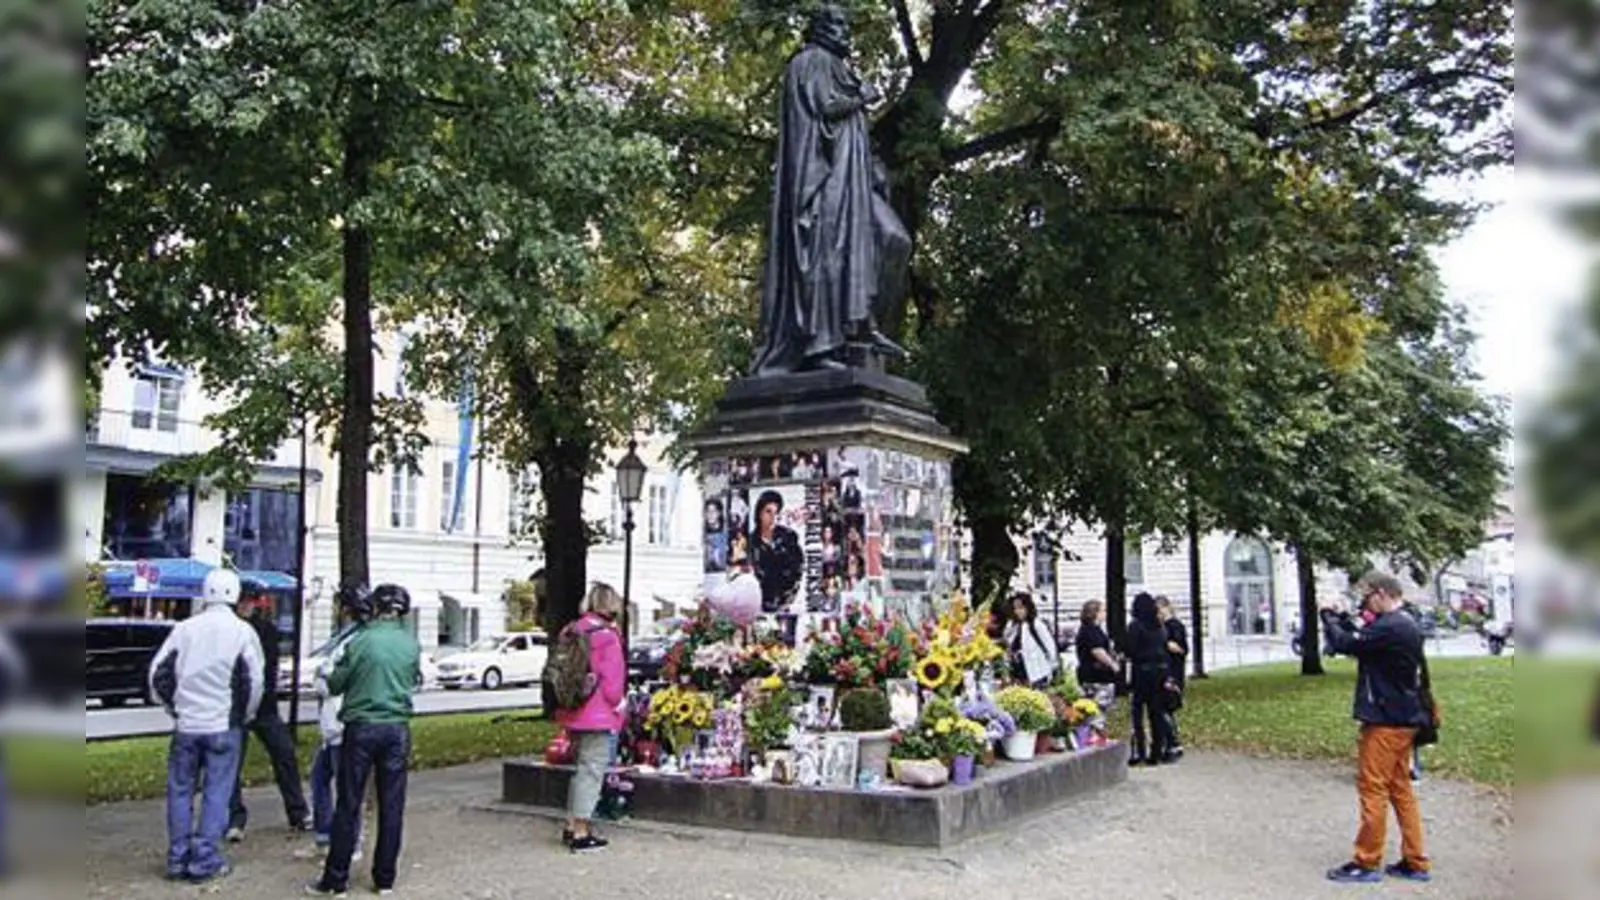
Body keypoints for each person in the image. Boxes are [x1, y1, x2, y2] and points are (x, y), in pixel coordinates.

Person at [750, 4, 904, 374]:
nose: (844, 31)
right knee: (828, 255)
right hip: (823, 180)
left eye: (845, 25)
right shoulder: (811, 61)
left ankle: (863, 324)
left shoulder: (838, 67)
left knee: (893, 238)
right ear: (818, 28)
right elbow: (824, 110)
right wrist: (862, 98)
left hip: (853, 179)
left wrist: (872, 168)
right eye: (836, 24)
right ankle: (821, 346)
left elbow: (847, 126)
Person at [148, 569, 265, 884]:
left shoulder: (184, 630)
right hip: (223, 724)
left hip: (187, 724)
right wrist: (244, 715)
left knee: (180, 790)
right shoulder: (242, 632)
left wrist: (175, 709)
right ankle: (205, 860)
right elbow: (254, 682)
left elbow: (157, 675)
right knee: (217, 791)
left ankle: (177, 858)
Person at [307, 583, 422, 896]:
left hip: (361, 727)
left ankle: (336, 879)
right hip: (397, 727)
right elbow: (413, 679)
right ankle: (384, 878)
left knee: (349, 802)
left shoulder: (361, 641)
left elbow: (336, 683)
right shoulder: (411, 644)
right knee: (392, 804)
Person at [1319, 572, 1432, 884]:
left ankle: (1367, 861)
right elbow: (1361, 638)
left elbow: (1345, 642)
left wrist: (1328, 615)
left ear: (1381, 594)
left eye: (1368, 597)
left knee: (1373, 787)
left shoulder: (1391, 626)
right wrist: (1343, 618)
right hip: (1405, 716)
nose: (1366, 604)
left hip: (1385, 718)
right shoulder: (1405, 623)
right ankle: (1415, 859)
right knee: (1400, 789)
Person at [227, 592, 312, 842]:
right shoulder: (240, 630)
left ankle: (297, 811)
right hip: (244, 707)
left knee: (284, 755)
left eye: (249, 602)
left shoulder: (263, 630)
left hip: (262, 707)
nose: (246, 606)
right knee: (234, 763)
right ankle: (234, 817)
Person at [556, 583, 628, 854]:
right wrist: (620, 706)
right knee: (591, 771)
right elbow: (612, 684)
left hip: (573, 709)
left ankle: (570, 823)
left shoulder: (573, 629)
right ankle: (581, 832)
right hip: (597, 714)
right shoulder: (607, 635)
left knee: (579, 771)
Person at [309, 597, 365, 857]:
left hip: (340, 724)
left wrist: (321, 679)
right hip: (333, 725)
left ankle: (349, 843)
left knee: (344, 788)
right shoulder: (346, 640)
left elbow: (331, 680)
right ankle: (326, 835)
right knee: (321, 778)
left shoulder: (351, 643)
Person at [1124, 592, 1177, 765]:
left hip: (1142, 672)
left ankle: (1139, 751)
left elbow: (1130, 650)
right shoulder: (1159, 626)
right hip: (1160, 672)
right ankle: (1157, 751)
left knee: (1138, 713)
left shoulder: (1135, 626)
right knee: (1156, 713)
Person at [749, 490, 803, 613]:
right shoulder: (750, 543)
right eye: (768, 512)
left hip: (785, 604)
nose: (773, 517)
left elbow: (798, 571)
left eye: (776, 512)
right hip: (758, 605)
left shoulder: (789, 538)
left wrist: (787, 600)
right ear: (759, 513)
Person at [1002, 592, 1059, 688]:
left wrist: (1052, 669)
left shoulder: (1036, 625)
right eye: (1015, 608)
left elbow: (1050, 648)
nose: (1017, 611)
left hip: (1037, 672)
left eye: (1021, 608)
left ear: (1028, 608)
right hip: (1017, 674)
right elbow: (1008, 647)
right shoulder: (1012, 626)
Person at [1155, 596, 1188, 757]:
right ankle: (1167, 741)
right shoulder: (1163, 627)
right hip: (1167, 671)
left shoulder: (1173, 626)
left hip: (1172, 672)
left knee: (1165, 708)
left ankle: (1173, 741)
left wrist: (1162, 644)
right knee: (1164, 708)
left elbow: (1180, 648)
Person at [1074, 600, 1120, 710]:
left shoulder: (1093, 629)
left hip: (1094, 676)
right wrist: (1112, 664)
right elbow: (1097, 650)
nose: (1105, 613)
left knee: (1094, 709)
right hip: (1096, 677)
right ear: (1095, 613)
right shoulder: (1091, 631)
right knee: (1097, 709)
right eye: (1103, 611)